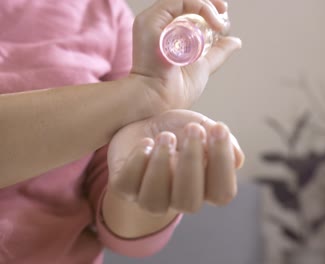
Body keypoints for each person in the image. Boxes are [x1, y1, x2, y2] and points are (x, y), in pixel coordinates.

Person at [0, 0, 244, 263]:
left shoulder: (106, 13)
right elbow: (142, 95)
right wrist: (142, 95)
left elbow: (122, 223)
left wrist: (151, 170)